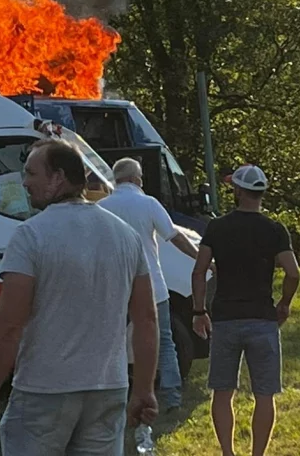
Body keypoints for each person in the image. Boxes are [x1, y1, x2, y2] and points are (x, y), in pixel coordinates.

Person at [0, 139, 159, 455]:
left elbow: (8, 325)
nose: (25, 182)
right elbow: (146, 318)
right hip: (107, 387)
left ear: (58, 177)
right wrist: (144, 388)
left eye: (32, 173)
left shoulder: (30, 235)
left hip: (44, 390)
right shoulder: (125, 236)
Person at [191, 165, 300, 456]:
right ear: (261, 193)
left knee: (222, 392)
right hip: (262, 319)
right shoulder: (275, 230)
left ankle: (228, 452)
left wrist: (199, 311)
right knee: (264, 395)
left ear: (238, 192)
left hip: (225, 320)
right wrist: (284, 304)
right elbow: (293, 272)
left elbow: (199, 271)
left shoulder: (216, 228)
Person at [97, 157, 201, 414]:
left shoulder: (100, 207)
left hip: (117, 288)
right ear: (136, 179)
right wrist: (202, 260)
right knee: (164, 341)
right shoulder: (149, 204)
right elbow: (175, 237)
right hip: (152, 284)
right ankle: (172, 396)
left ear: (116, 179)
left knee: (113, 343)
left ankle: (114, 395)